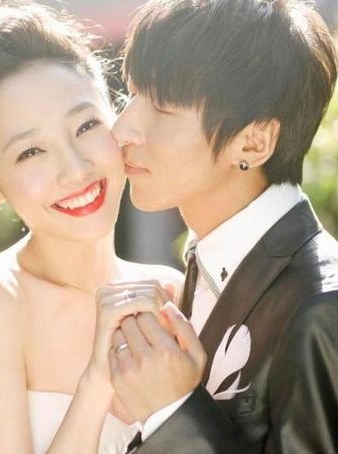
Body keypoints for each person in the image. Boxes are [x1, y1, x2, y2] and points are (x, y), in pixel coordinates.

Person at [0, 3, 184, 453]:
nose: (75, 169)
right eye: (30, 152)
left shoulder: (173, 294)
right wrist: (98, 380)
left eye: (86, 125)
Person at [103, 0, 338, 452]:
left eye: (162, 107)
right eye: (132, 94)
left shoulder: (321, 309)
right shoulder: (195, 273)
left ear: (253, 141)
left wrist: (171, 411)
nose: (123, 128)